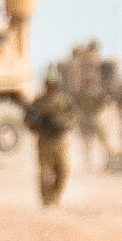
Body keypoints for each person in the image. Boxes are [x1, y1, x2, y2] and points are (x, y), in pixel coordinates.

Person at [25, 72, 74, 206]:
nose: (50, 88)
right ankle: (46, 200)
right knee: (45, 173)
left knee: (63, 170)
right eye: (48, 85)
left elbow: (74, 116)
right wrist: (38, 123)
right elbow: (28, 120)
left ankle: (55, 196)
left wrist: (65, 123)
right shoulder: (38, 102)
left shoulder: (64, 100)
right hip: (44, 141)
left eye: (53, 85)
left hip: (60, 140)